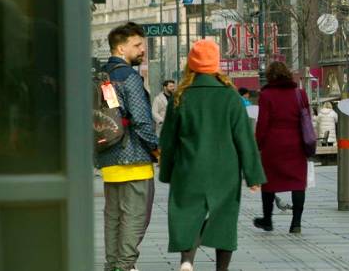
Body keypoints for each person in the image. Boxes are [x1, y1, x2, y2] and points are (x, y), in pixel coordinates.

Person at [159, 39, 266, 271]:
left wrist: (167, 172)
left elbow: (168, 140)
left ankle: (187, 260)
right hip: (224, 170)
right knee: (224, 219)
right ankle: (221, 269)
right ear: (216, 64)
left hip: (188, 168)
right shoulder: (230, 97)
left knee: (187, 214)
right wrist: (253, 175)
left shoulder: (180, 97)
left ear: (191, 64)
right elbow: (244, 139)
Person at [97, 22, 160, 271]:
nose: (142, 49)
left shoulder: (102, 76)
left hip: (109, 159)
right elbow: (142, 121)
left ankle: (113, 265)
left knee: (113, 219)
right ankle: (124, 266)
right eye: (137, 45)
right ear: (121, 48)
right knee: (135, 219)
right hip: (134, 160)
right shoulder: (129, 77)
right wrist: (156, 149)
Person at [253, 61, 312, 233]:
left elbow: (262, 123)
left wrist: (258, 143)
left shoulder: (266, 95)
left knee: (269, 183)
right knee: (298, 183)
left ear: (270, 76)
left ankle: (267, 220)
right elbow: (306, 119)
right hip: (296, 143)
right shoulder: (299, 94)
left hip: (273, 144)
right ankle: (296, 223)